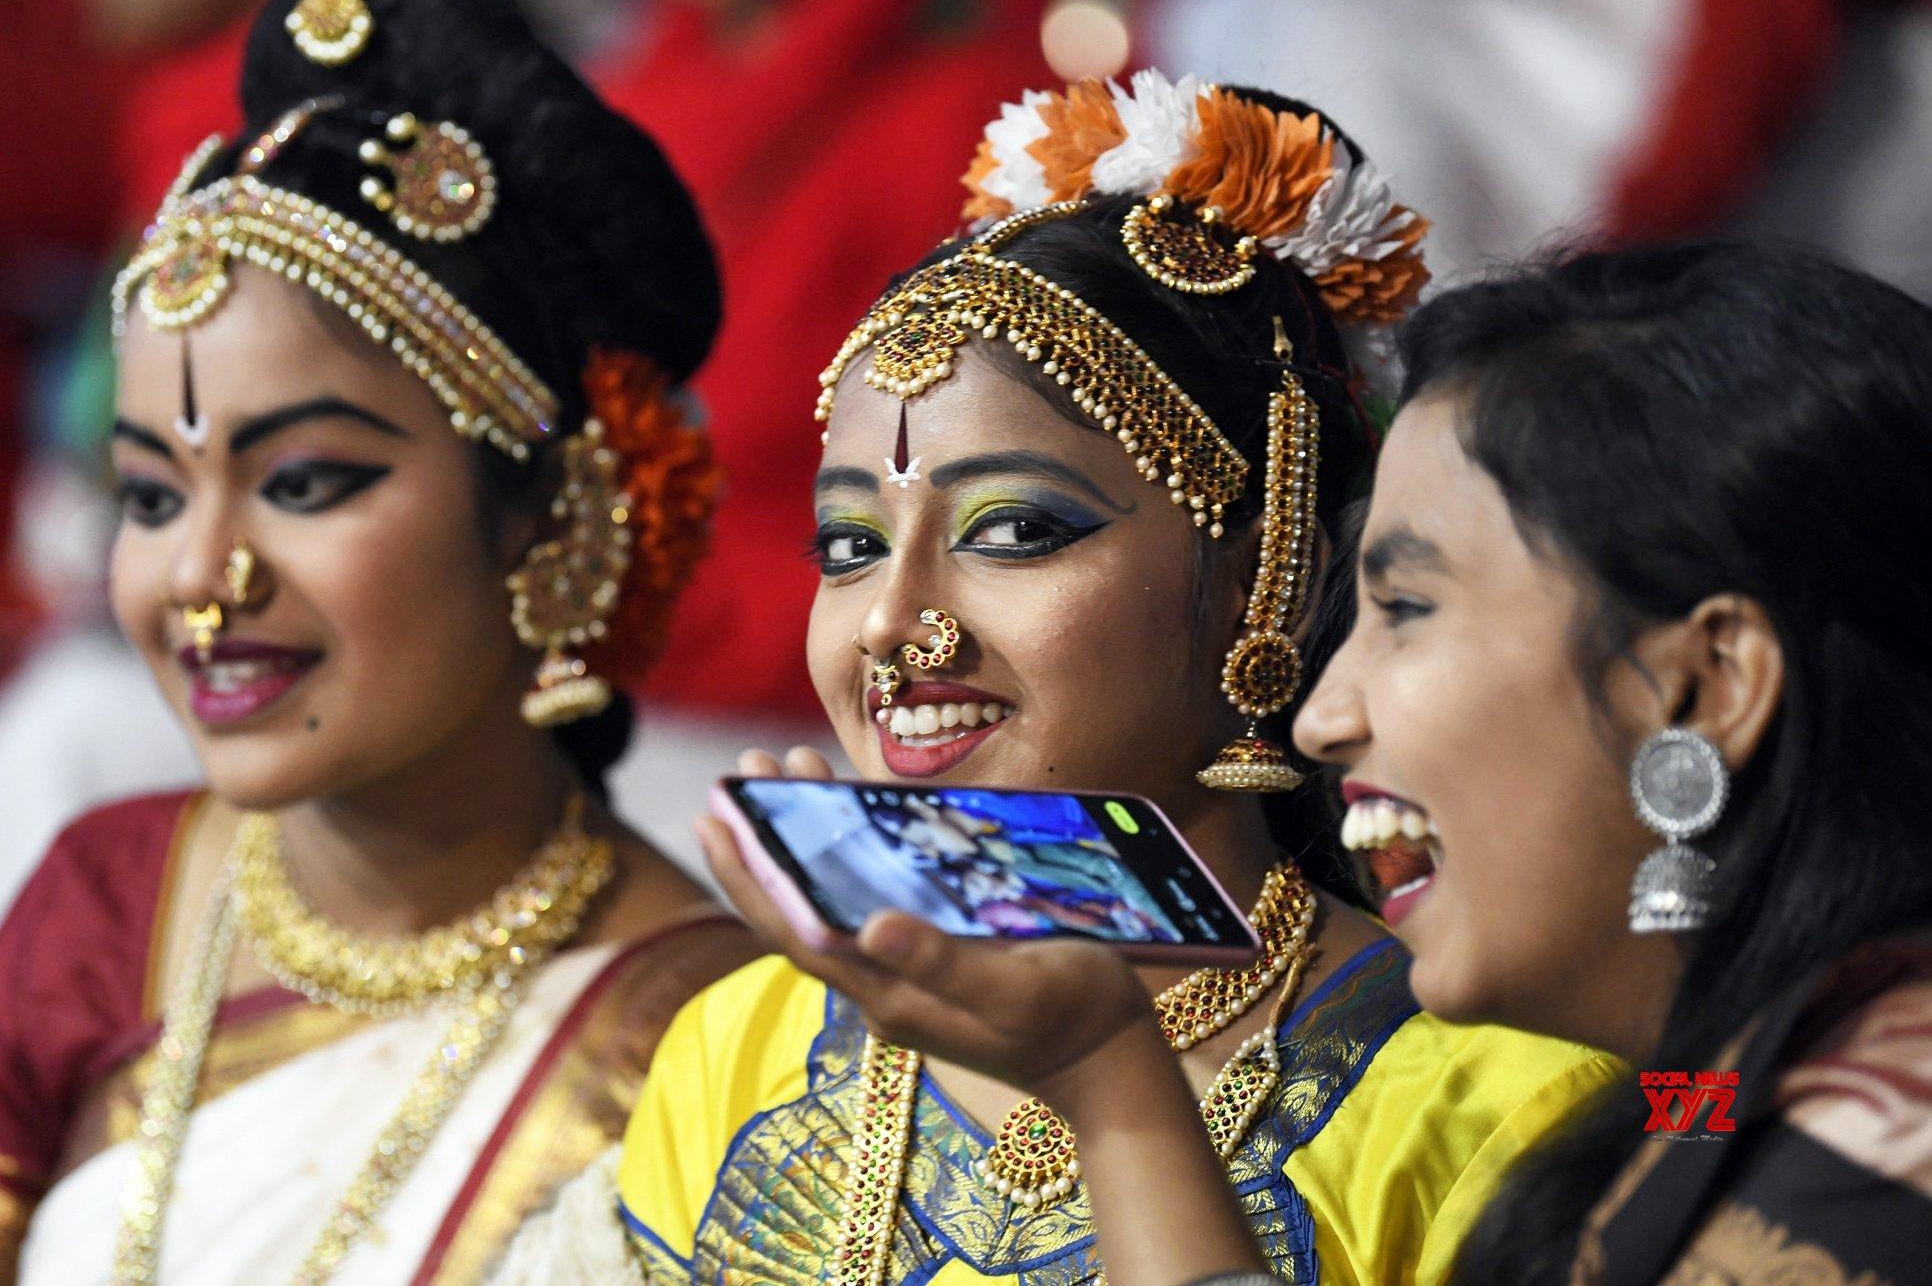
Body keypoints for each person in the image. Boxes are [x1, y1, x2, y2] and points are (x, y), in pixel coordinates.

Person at [500, 73, 1619, 1285]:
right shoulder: (743, 1042)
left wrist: (1114, 1086)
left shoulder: (1495, 1103)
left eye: (1015, 533)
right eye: (849, 546)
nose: (889, 622)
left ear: (1273, 579)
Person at [0, 0, 766, 1281]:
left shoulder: (703, 1039)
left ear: (556, 516)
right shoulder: (111, 900)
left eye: (303, 482)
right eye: (149, 492)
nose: (199, 572)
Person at [1292, 241, 1932, 1284]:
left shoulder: (1879, 1139)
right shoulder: (1704, 1102)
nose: (1318, 719)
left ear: (1705, 685)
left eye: (1406, 609)